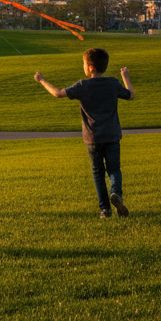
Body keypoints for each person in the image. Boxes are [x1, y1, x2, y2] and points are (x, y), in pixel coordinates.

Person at [35, 48, 135, 218]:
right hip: (112, 136)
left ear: (89, 67)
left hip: (92, 138)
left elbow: (58, 93)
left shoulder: (82, 85)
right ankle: (116, 193)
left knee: (98, 172)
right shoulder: (112, 83)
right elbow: (130, 95)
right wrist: (125, 77)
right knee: (114, 170)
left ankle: (105, 209)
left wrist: (42, 80)